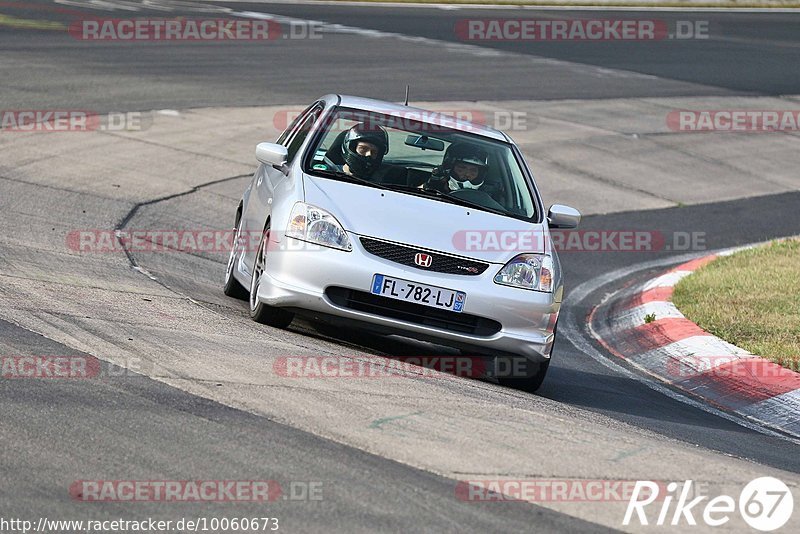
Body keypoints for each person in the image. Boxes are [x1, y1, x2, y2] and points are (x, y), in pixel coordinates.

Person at [314, 122, 389, 180]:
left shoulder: (382, 181)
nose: (368, 154)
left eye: (374, 152)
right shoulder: (324, 174)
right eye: (363, 149)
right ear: (351, 148)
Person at [425, 142, 497, 195]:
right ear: (450, 168)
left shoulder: (486, 197)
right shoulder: (434, 186)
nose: (467, 174)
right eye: (462, 168)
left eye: (473, 170)